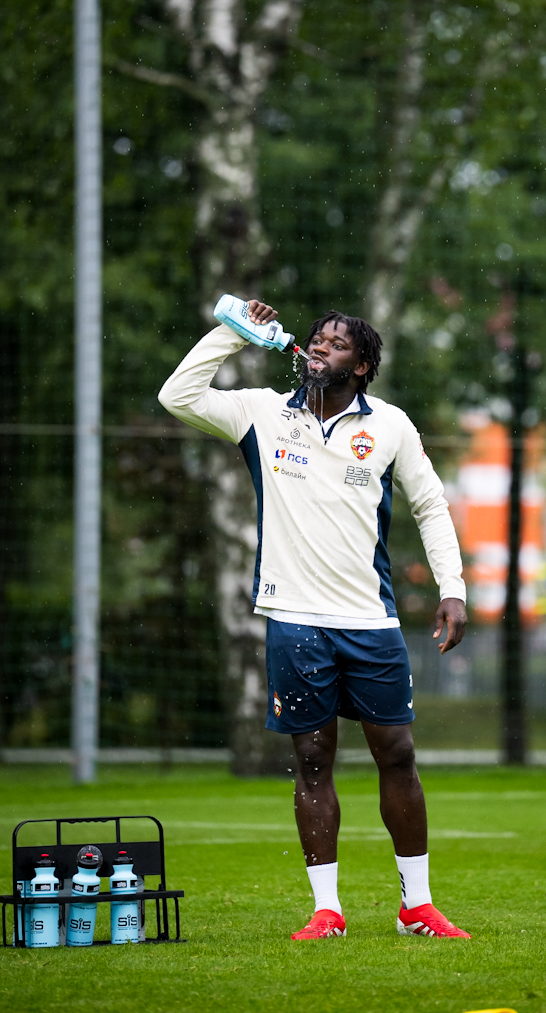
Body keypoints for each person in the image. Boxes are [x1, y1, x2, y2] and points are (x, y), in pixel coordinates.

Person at [158, 299, 472, 941]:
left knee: (398, 754)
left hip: (371, 620)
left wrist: (453, 587)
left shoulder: (390, 425)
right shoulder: (262, 412)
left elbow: (431, 505)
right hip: (295, 618)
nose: (321, 347)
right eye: (316, 339)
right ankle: (327, 910)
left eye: (337, 343)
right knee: (311, 758)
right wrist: (232, 332)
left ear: (361, 366)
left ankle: (416, 907)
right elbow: (177, 395)